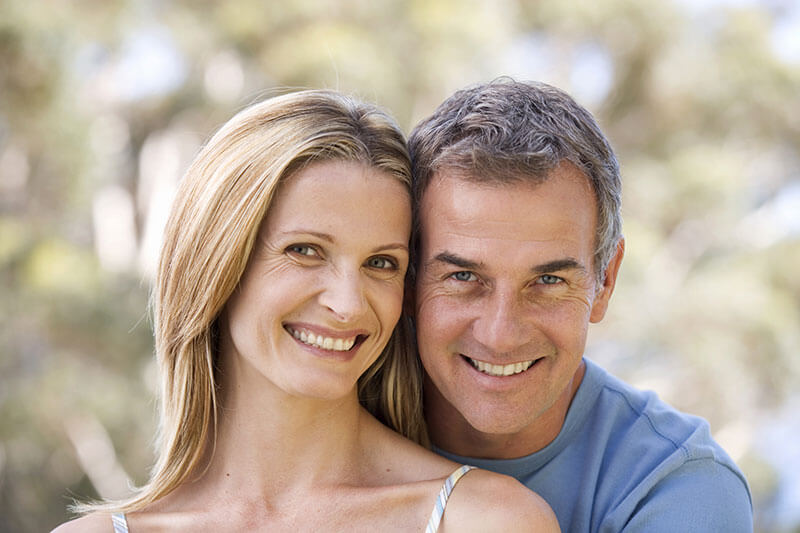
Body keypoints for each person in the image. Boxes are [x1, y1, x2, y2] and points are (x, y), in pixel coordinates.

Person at [53, 89, 559, 532]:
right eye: (305, 250)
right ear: (218, 261)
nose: (346, 303)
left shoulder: (485, 521)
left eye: (381, 263)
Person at [407, 78, 753, 532]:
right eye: (464, 277)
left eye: (548, 280)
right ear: (409, 276)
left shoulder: (679, 491)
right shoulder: (330, 419)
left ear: (605, 281)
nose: (500, 333)